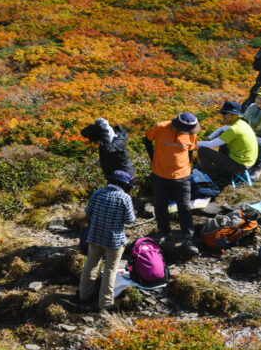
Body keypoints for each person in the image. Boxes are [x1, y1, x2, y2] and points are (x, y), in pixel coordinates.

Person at [79, 169, 137, 312]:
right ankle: (105, 303)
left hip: (94, 236)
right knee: (110, 270)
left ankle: (84, 294)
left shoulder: (98, 193)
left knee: (91, 265)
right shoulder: (125, 198)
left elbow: (87, 212)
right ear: (123, 184)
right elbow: (130, 220)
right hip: (114, 241)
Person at [144, 112, 199, 243]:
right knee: (160, 206)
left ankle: (188, 236)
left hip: (182, 176)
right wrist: (153, 158)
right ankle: (165, 232)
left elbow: (190, 151)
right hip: (160, 174)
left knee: (184, 207)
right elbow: (147, 140)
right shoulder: (160, 127)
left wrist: (187, 166)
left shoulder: (191, 133)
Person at [195, 101, 259, 183]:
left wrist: (191, 143)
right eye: (222, 113)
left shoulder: (234, 129)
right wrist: (209, 138)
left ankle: (214, 178)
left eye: (225, 113)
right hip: (248, 161)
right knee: (223, 137)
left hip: (240, 165)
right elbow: (223, 129)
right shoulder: (242, 124)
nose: (223, 116)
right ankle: (221, 170)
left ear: (234, 115)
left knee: (202, 151)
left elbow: (211, 145)